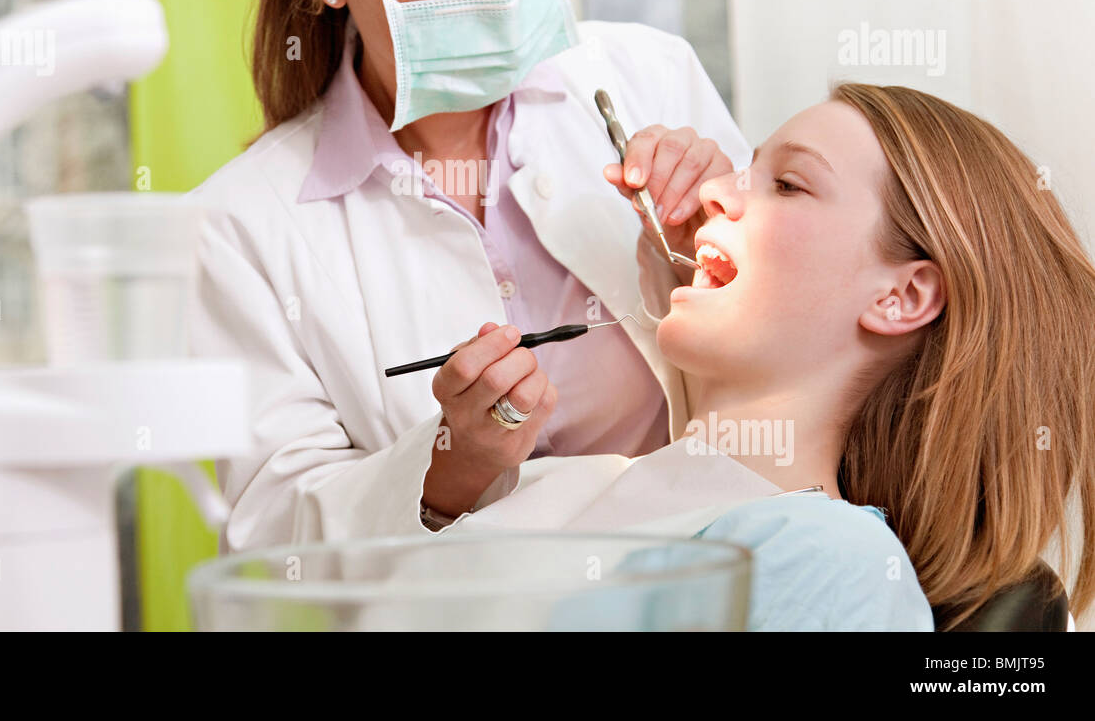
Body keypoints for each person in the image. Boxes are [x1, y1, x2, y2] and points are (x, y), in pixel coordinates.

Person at [188, 0, 745, 551]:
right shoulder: (242, 224)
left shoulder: (651, 78)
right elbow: (278, 528)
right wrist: (448, 465)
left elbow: (805, 360)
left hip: (709, 584)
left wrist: (715, 258)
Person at [452, 83, 1095, 630]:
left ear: (902, 296)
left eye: (787, 184)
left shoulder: (836, 560)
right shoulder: (556, 485)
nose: (713, 194)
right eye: (746, 169)